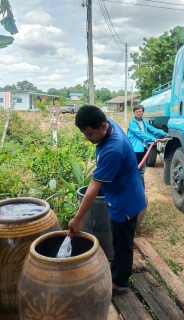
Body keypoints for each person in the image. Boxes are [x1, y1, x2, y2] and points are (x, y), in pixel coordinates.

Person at [68, 105, 146, 296]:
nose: (87, 138)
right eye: (84, 134)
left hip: (125, 201)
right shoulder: (108, 125)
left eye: (89, 134)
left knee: (122, 243)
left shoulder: (114, 149)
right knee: (119, 239)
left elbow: (93, 188)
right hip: (122, 190)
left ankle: (120, 283)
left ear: (102, 127)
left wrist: (78, 218)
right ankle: (116, 270)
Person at [127, 104, 168, 188]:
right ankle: (135, 188)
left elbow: (152, 129)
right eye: (137, 112)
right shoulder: (132, 123)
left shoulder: (144, 122)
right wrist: (153, 139)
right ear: (134, 113)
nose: (139, 113)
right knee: (135, 170)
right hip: (135, 149)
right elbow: (140, 134)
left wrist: (164, 134)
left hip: (143, 149)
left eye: (141, 112)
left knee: (141, 170)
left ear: (143, 113)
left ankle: (141, 188)